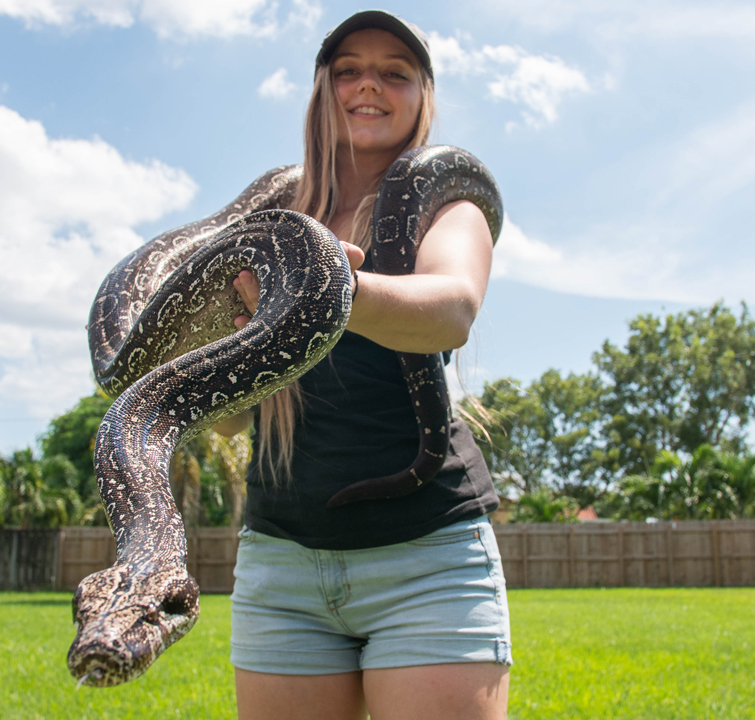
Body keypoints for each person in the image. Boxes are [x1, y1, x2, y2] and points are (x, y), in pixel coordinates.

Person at [212, 11, 509, 720]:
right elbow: (225, 421)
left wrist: (318, 291)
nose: (368, 84)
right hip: (282, 563)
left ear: (421, 96)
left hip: (429, 559)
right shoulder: (268, 218)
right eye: (347, 69)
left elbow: (451, 310)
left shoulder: (450, 200)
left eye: (394, 72)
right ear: (323, 89)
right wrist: (248, 330)